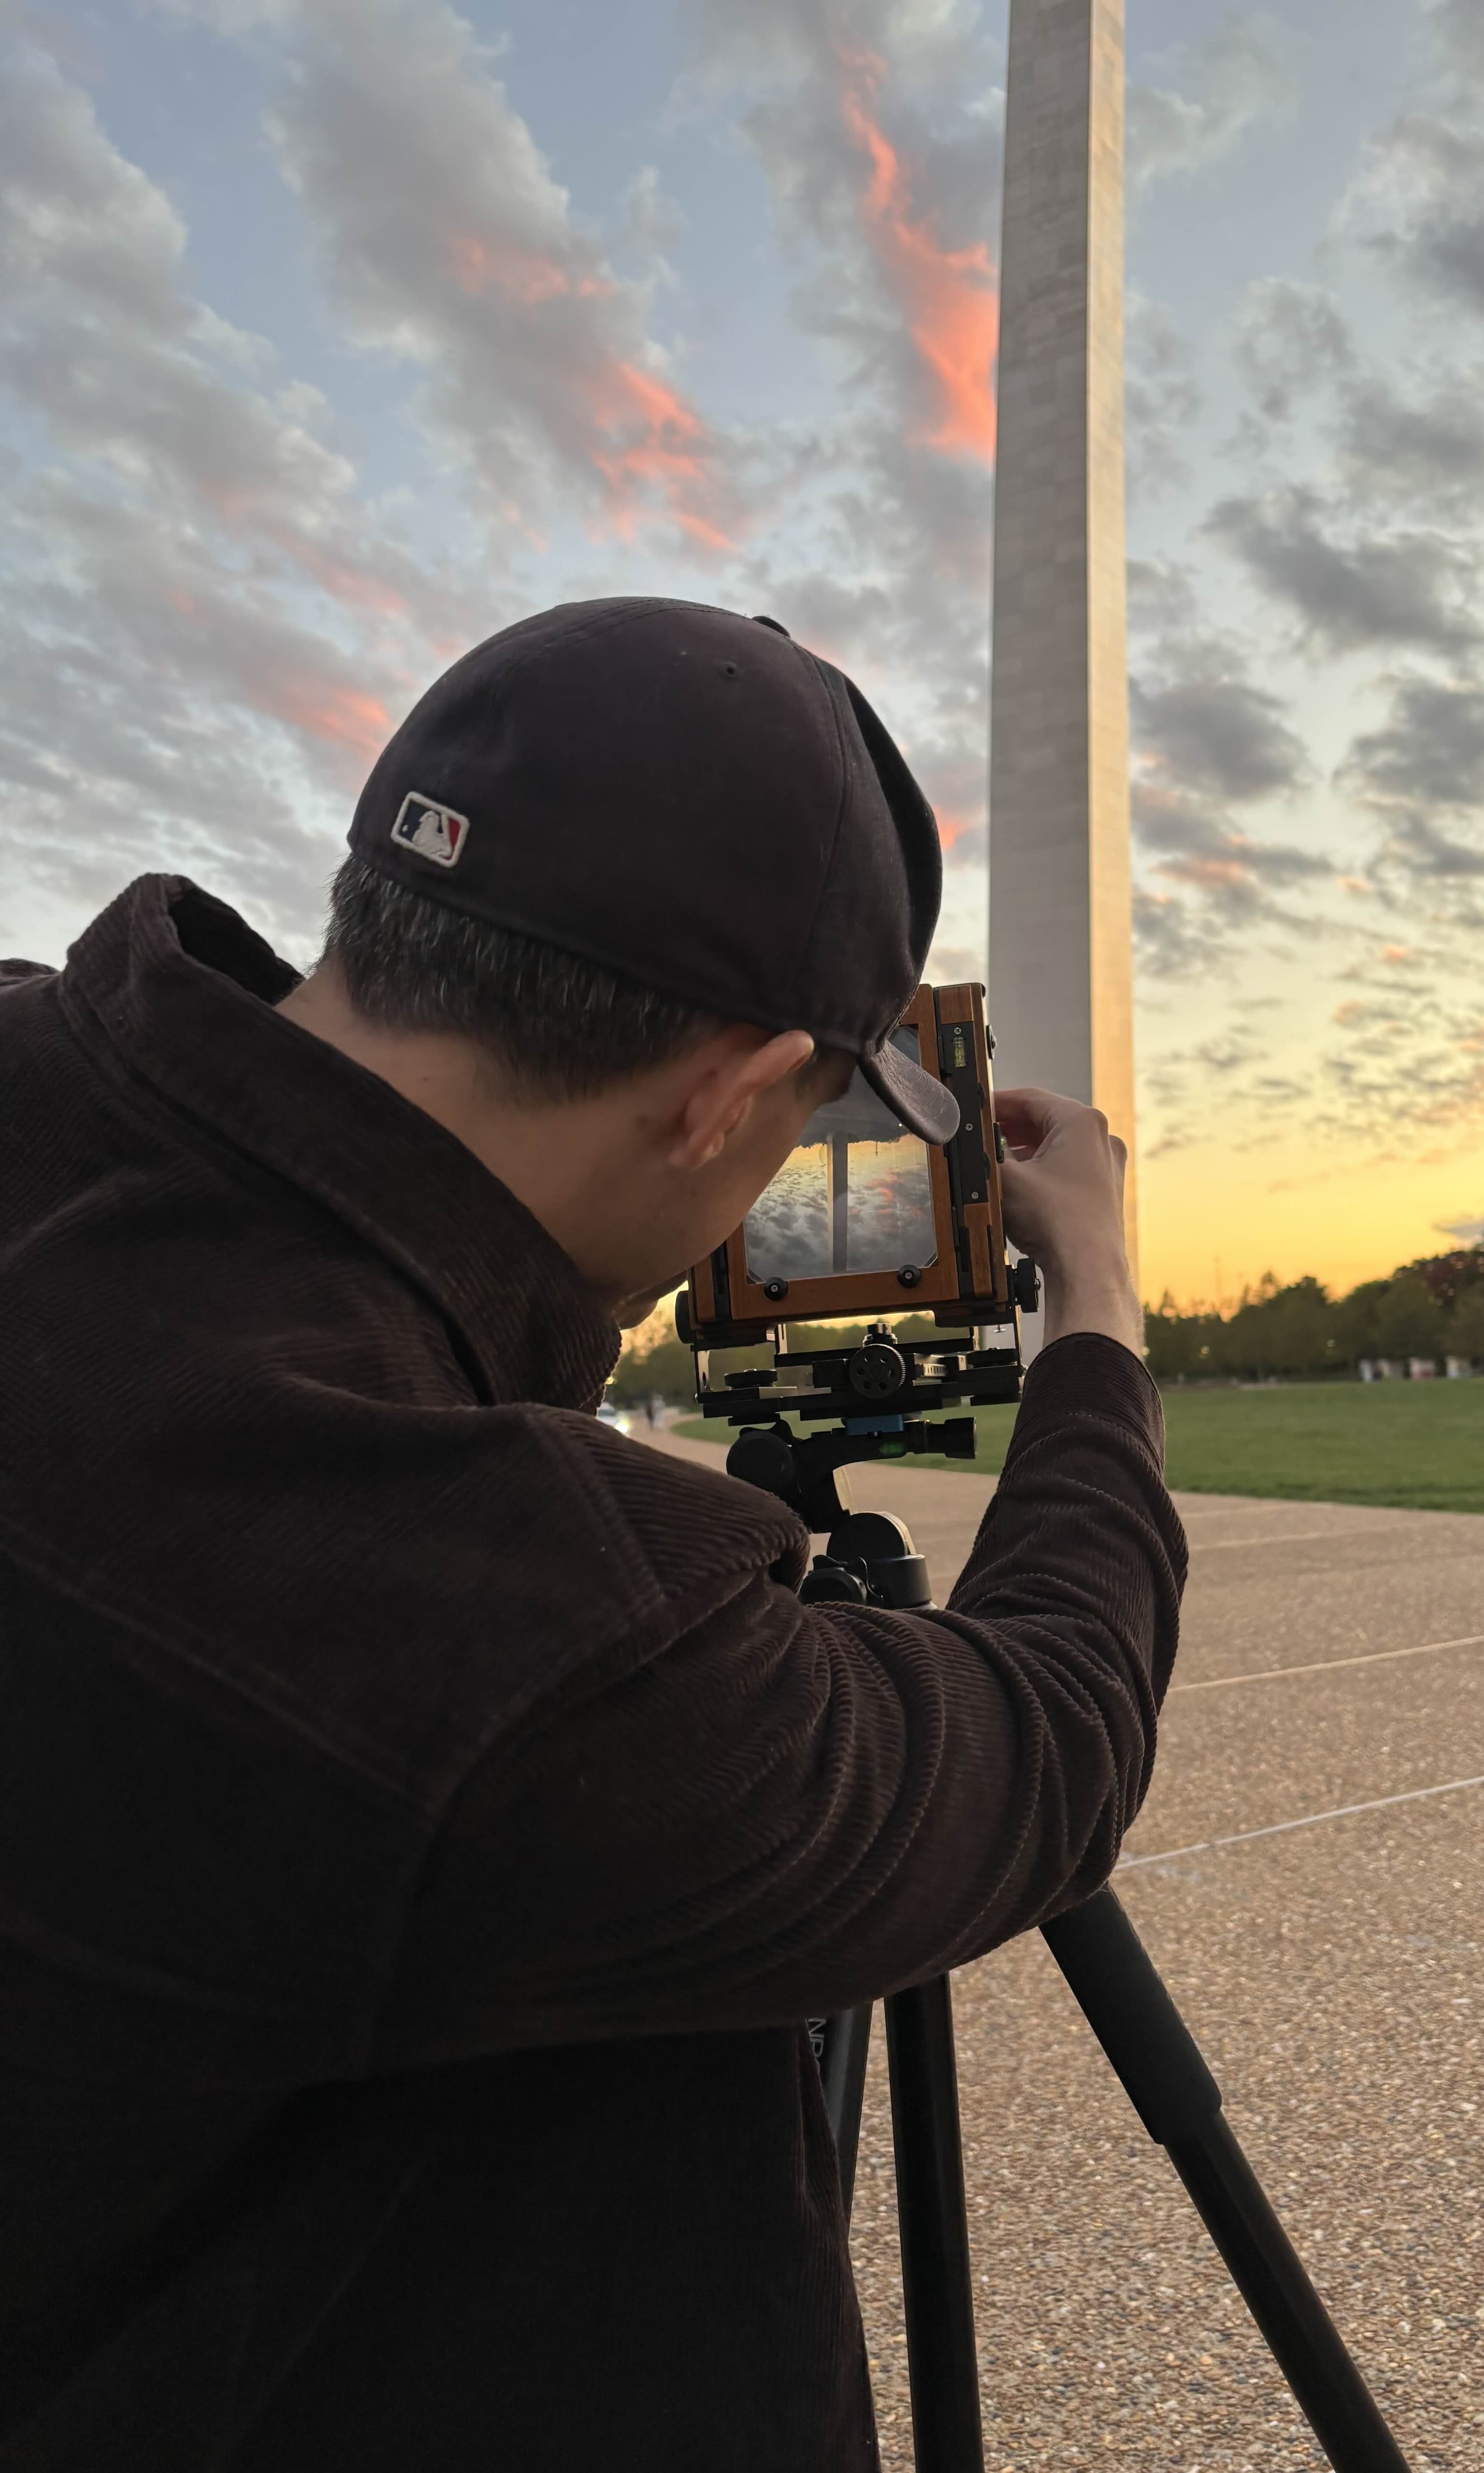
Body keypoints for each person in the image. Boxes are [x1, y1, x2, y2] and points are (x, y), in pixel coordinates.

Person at [0, 599, 1187, 2470]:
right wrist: (1098, 1300)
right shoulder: (533, 1627)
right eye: (804, 1106)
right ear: (726, 1091)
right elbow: (1047, 1729)